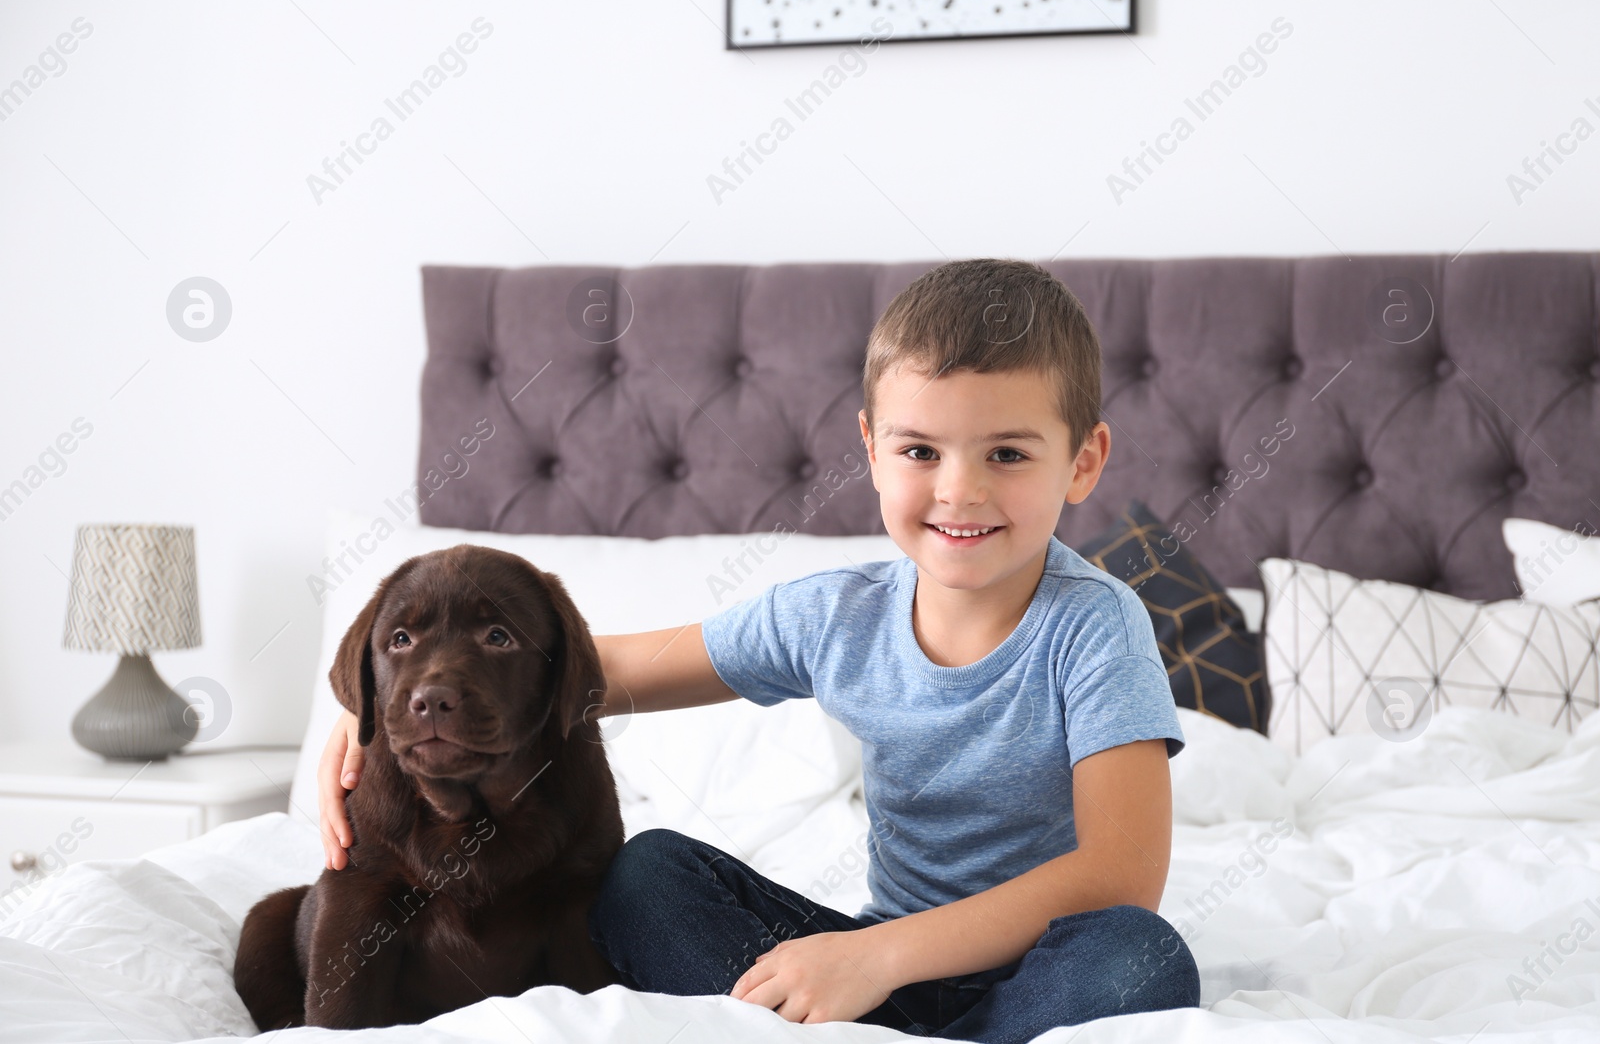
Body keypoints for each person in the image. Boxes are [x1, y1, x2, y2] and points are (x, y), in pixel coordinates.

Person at [316, 258, 1200, 1043]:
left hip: (1027, 967)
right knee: (647, 873)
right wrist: (379, 716)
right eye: (920, 449)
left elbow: (1120, 873)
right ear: (871, 448)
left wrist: (879, 956)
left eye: (1007, 452)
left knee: (1141, 954)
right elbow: (586, 672)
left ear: (1084, 461)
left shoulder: (1094, 625)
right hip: (866, 974)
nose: (958, 489)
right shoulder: (836, 614)